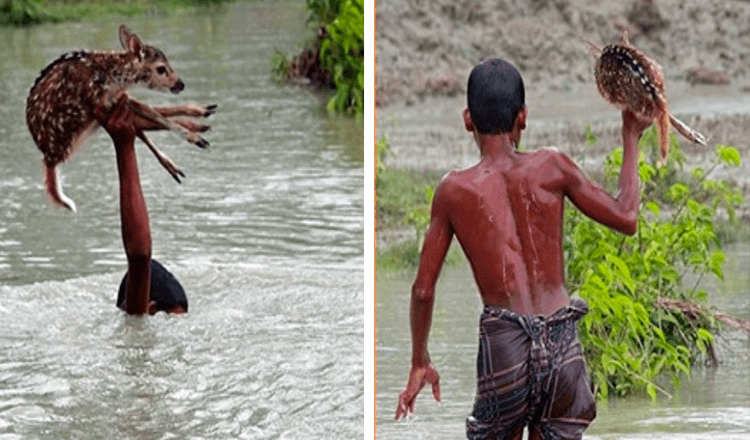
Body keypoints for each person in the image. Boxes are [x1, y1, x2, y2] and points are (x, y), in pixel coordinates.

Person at [394, 58, 652, 440]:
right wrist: (631, 135)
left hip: (506, 348)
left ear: (468, 120)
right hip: (562, 342)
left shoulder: (453, 190)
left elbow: (422, 289)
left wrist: (420, 359)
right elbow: (627, 217)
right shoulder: (553, 166)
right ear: (523, 117)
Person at [96, 95, 188, 315]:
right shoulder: (137, 323)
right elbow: (139, 258)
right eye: (173, 320)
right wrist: (125, 147)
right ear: (152, 309)